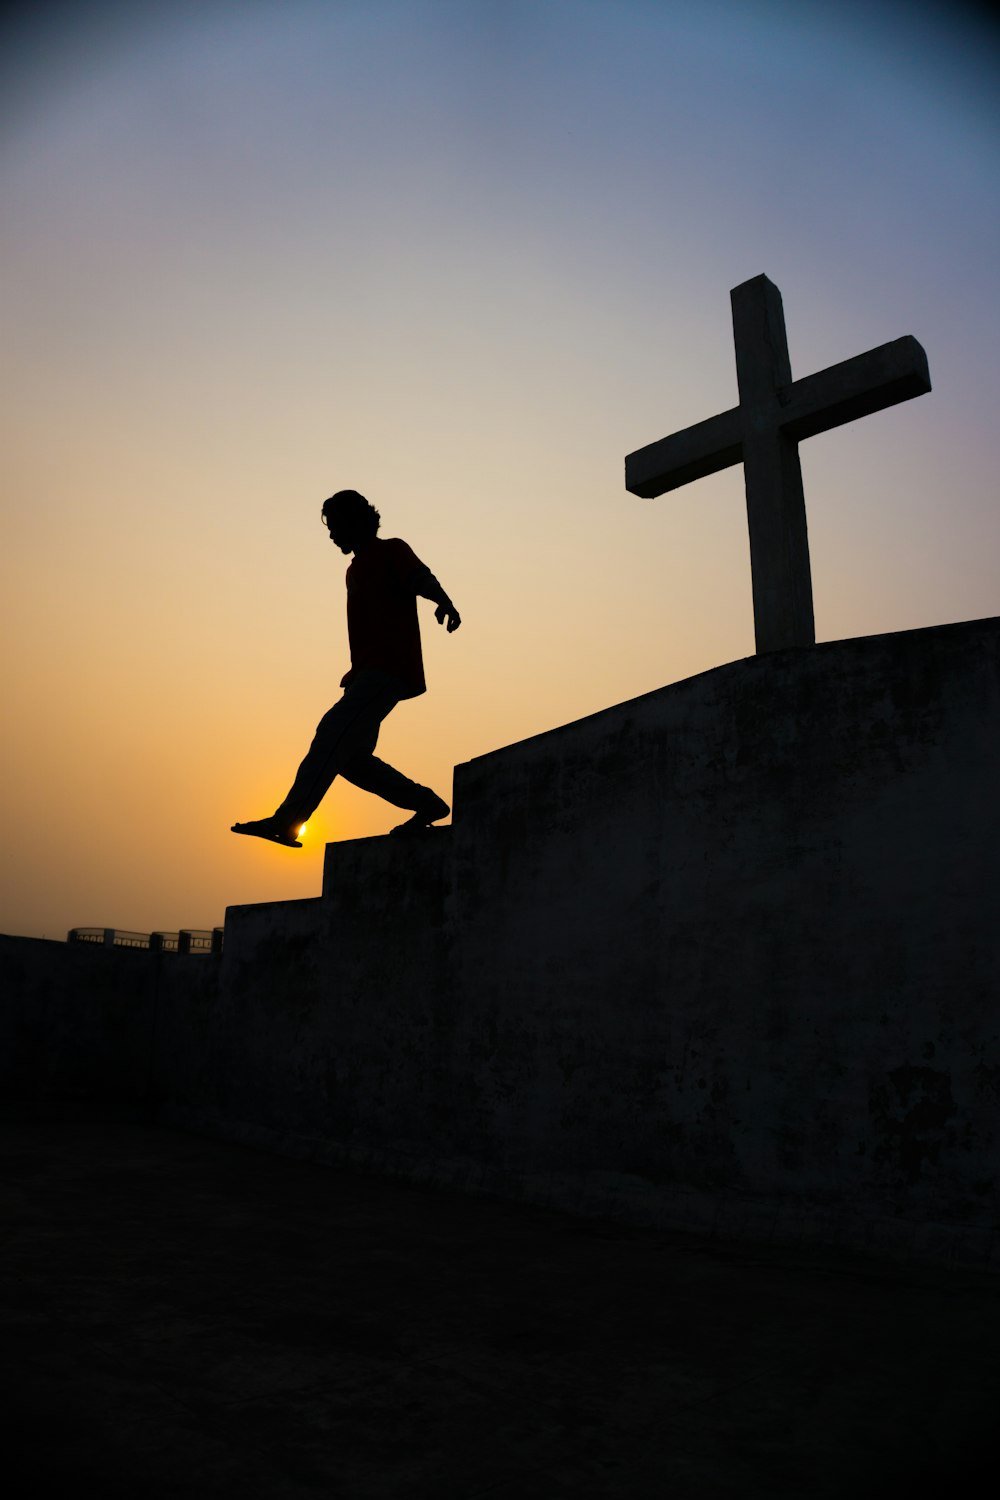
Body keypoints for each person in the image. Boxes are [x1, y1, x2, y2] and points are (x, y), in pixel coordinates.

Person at [232, 489, 460, 848]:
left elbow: (420, 577)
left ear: (358, 521)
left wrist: (443, 601)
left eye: (336, 526)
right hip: (364, 676)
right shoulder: (354, 569)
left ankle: (288, 820)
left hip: (388, 671)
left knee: (330, 732)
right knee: (351, 760)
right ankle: (427, 804)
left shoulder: (391, 550)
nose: (332, 535)